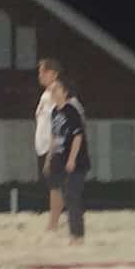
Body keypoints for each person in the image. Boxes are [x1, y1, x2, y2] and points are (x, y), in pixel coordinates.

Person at [49, 79, 90, 244]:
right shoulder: (54, 112)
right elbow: (54, 135)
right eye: (52, 90)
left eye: (57, 89)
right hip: (61, 159)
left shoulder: (71, 111)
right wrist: (50, 157)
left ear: (65, 92)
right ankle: (74, 233)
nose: (53, 92)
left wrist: (72, 159)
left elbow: (77, 136)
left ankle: (77, 235)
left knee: (72, 196)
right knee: (67, 196)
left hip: (77, 161)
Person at [33, 58, 64, 226]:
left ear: (53, 73)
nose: (40, 75)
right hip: (42, 147)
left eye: (42, 72)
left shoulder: (56, 92)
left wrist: (51, 152)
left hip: (52, 147)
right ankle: (54, 220)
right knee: (52, 184)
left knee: (55, 185)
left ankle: (53, 222)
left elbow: (57, 124)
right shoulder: (45, 94)